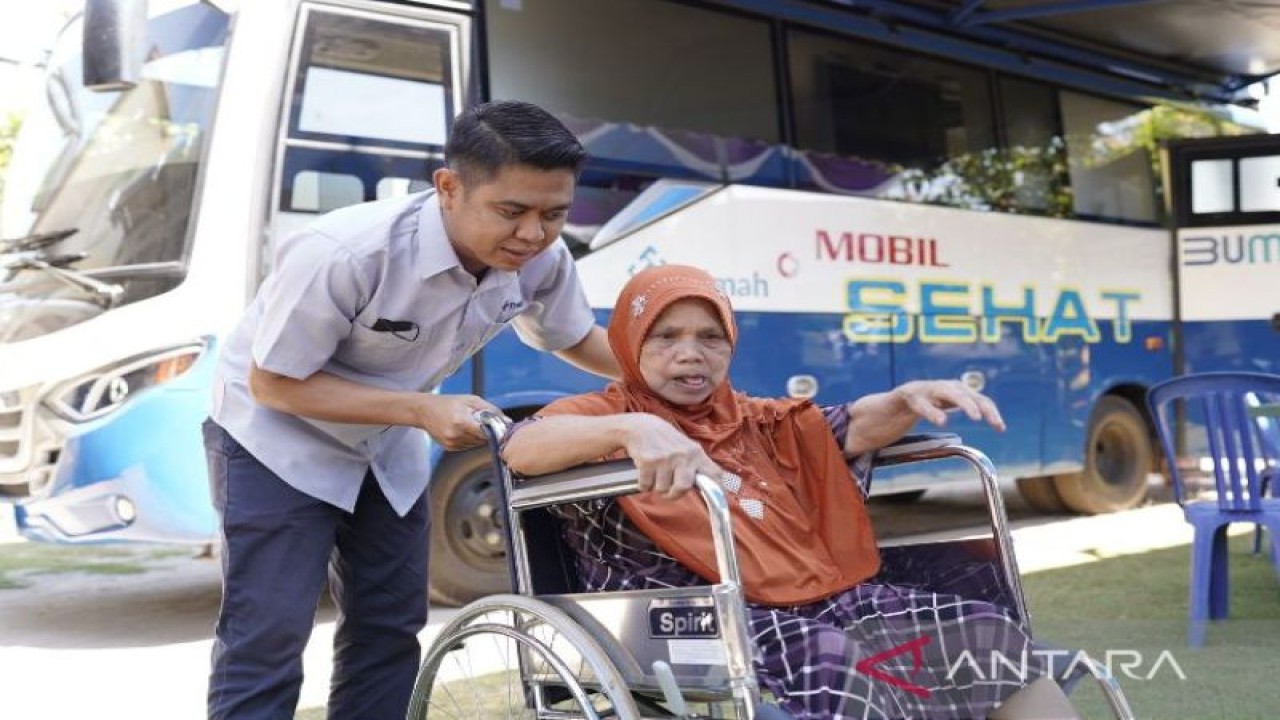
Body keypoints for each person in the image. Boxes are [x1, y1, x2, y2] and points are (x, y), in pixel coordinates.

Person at [502, 265, 1080, 720]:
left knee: (984, 632)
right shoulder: (602, 412)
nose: (690, 353)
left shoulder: (749, 417)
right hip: (692, 619)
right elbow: (520, 449)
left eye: (710, 337)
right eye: (665, 337)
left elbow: (846, 425)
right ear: (629, 344)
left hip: (811, 597)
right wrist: (633, 430)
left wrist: (905, 398)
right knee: (838, 663)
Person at [202, 100, 620, 720]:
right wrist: (422, 409)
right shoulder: (346, 252)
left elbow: (573, 338)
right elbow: (275, 384)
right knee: (268, 635)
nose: (532, 234)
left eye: (553, 214)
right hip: (274, 440)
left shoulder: (541, 260)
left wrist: (675, 373)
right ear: (449, 188)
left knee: (390, 626)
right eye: (511, 212)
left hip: (385, 441)